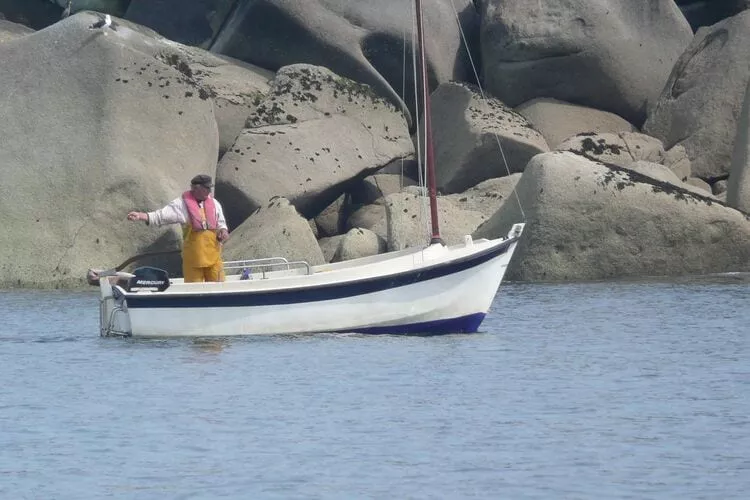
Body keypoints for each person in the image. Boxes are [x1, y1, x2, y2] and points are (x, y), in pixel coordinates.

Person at [127, 174, 230, 283]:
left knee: (220, 285)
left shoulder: (214, 203)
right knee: (194, 291)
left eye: (210, 188)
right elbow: (161, 216)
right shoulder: (180, 204)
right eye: (206, 188)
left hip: (214, 258)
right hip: (193, 260)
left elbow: (221, 223)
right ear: (195, 188)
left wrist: (223, 231)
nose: (209, 191)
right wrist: (141, 216)